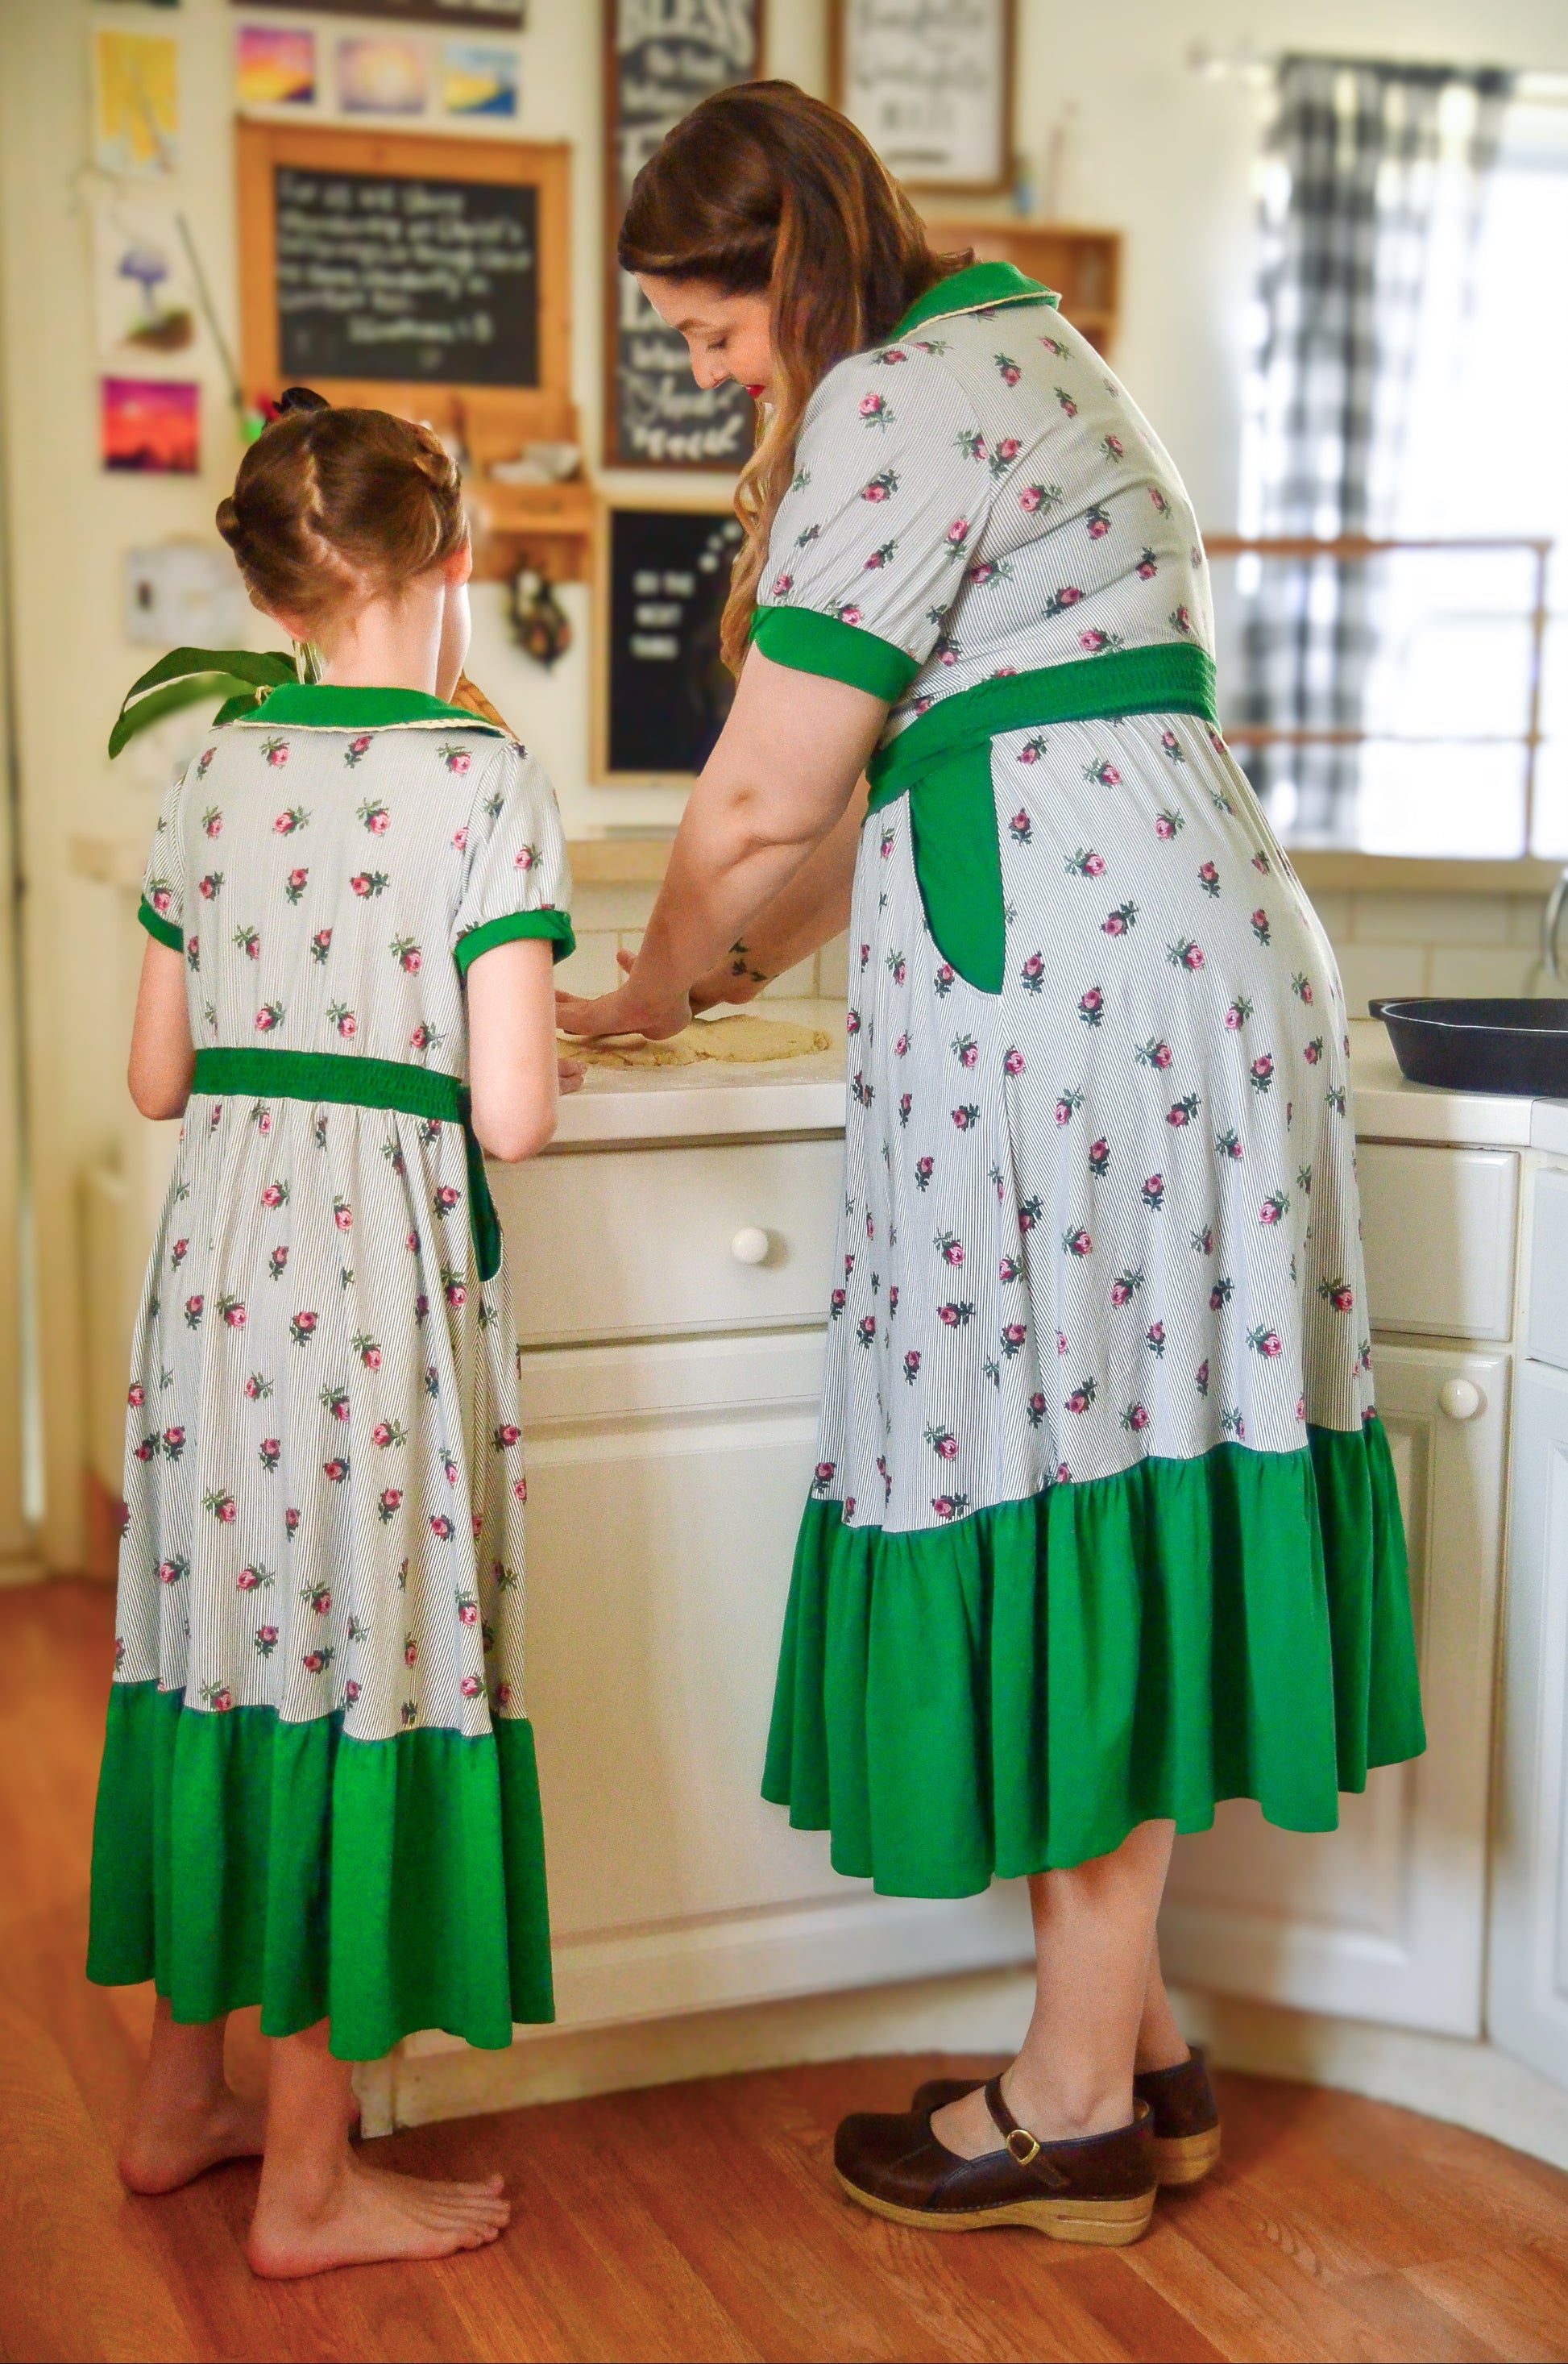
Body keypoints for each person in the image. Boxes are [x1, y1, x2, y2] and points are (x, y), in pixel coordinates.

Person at [559, 81, 1425, 2246]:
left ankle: (1068, 2111)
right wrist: (699, 969)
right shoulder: (1024, 351)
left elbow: (763, 796)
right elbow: (890, 786)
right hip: (1173, 977)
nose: (710, 372)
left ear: (788, 268)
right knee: (1118, 1467)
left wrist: (653, 972)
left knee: (1061, 1477)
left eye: (710, 329)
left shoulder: (889, 396)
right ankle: (1142, 2053)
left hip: (1080, 1011)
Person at [87, 390, 576, 2277]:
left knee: (219, 1654)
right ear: (448, 558)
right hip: (372, 1292)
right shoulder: (480, 779)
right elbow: (512, 1111)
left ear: (276, 593)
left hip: (218, 1282)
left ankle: (176, 2104)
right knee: (347, 1666)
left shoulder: (210, 770)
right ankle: (305, 2180)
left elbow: (156, 1075)